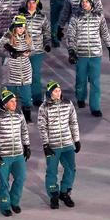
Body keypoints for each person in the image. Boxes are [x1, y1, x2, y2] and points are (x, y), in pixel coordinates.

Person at [66, 0, 110, 117]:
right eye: (82, 1)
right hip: (81, 53)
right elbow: (70, 34)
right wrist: (71, 50)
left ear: (91, 3)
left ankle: (95, 107)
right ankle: (80, 97)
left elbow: (104, 32)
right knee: (81, 79)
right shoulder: (76, 17)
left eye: (86, 1)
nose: (84, 3)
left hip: (95, 54)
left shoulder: (98, 16)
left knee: (95, 81)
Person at [0, 89, 31, 216]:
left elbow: (24, 131)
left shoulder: (19, 113)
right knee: (4, 182)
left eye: (15, 101)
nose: (14, 103)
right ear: (5, 103)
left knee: (21, 178)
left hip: (18, 154)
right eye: (11, 101)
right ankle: (5, 204)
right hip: (3, 155)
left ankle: (14, 201)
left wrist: (26, 145)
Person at [38, 81, 81, 209]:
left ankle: (65, 192)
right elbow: (42, 127)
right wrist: (46, 144)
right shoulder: (44, 107)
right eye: (56, 91)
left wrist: (76, 140)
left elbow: (73, 122)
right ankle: (53, 195)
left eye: (59, 90)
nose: (59, 92)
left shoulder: (68, 104)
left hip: (67, 144)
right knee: (52, 171)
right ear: (50, 93)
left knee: (71, 168)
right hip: (53, 145)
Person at [0, 15, 34, 122]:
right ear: (14, 27)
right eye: (19, 27)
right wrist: (11, 52)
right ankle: (8, 116)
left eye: (23, 28)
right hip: (11, 73)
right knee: (9, 98)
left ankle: (27, 116)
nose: (21, 30)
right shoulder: (7, 37)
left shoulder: (27, 37)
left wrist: (29, 53)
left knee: (26, 98)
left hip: (25, 73)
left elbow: (33, 49)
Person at [20, 0, 51, 107]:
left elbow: (47, 33)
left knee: (35, 75)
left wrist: (47, 44)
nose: (31, 4)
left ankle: (37, 97)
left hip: (38, 51)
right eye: (29, 2)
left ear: (37, 4)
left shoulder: (42, 17)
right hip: (23, 52)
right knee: (24, 75)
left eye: (33, 2)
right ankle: (25, 97)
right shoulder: (21, 17)